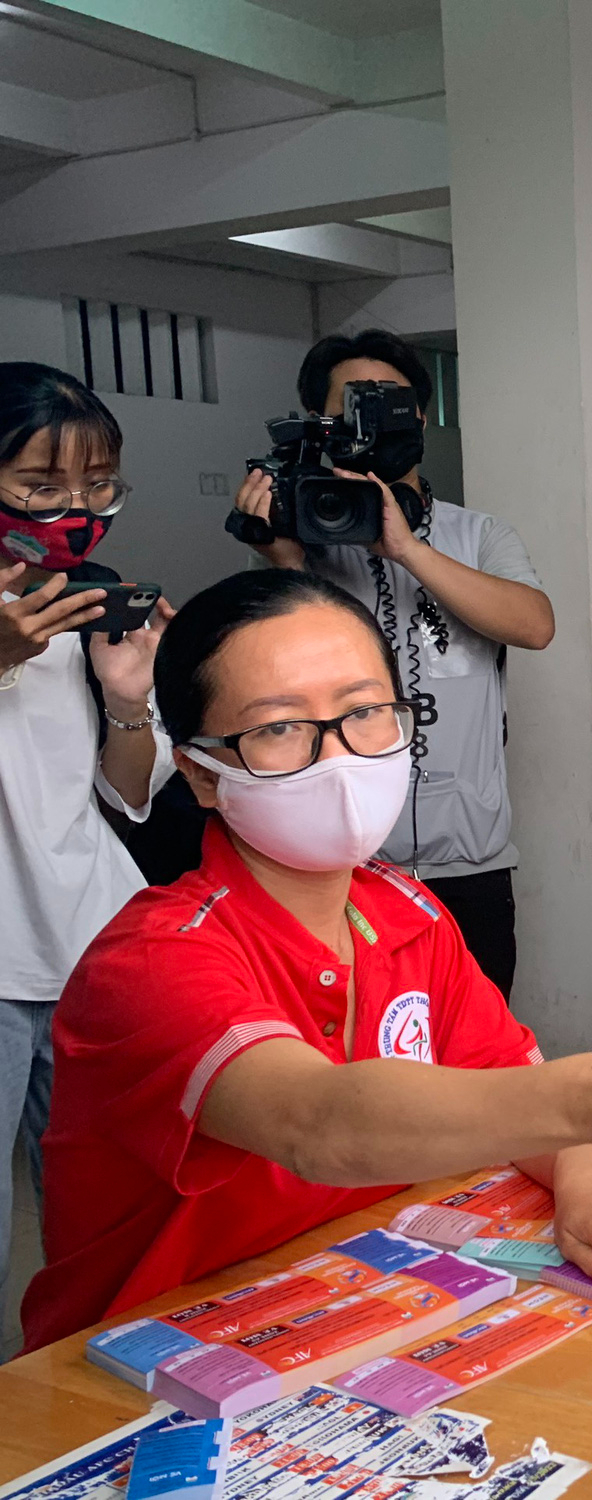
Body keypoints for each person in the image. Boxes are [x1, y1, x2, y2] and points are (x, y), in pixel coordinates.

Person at [22, 569, 592, 1350]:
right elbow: (319, 1124)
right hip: (143, 1381)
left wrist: (585, 1183)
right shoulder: (151, 960)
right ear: (199, 773)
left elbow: (508, 1085)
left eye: (365, 713)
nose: (340, 756)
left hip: (358, 1315)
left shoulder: (404, 910)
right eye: (280, 728)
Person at [233, 328, 552, 1001]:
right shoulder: (306, 537)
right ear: (322, 421)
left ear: (423, 416)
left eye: (392, 401)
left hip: (471, 870)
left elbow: (533, 624)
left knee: (476, 1075)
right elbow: (281, 684)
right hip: (340, 870)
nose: (373, 417)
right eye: (353, 403)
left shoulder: (478, 535)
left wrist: (407, 549)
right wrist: (287, 564)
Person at [0, 363, 174, 1319]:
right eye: (41, 486)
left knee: (103, 1222)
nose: (75, 509)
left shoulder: (95, 602)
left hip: (90, 955)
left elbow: (128, 794)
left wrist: (127, 698)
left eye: (98, 485)